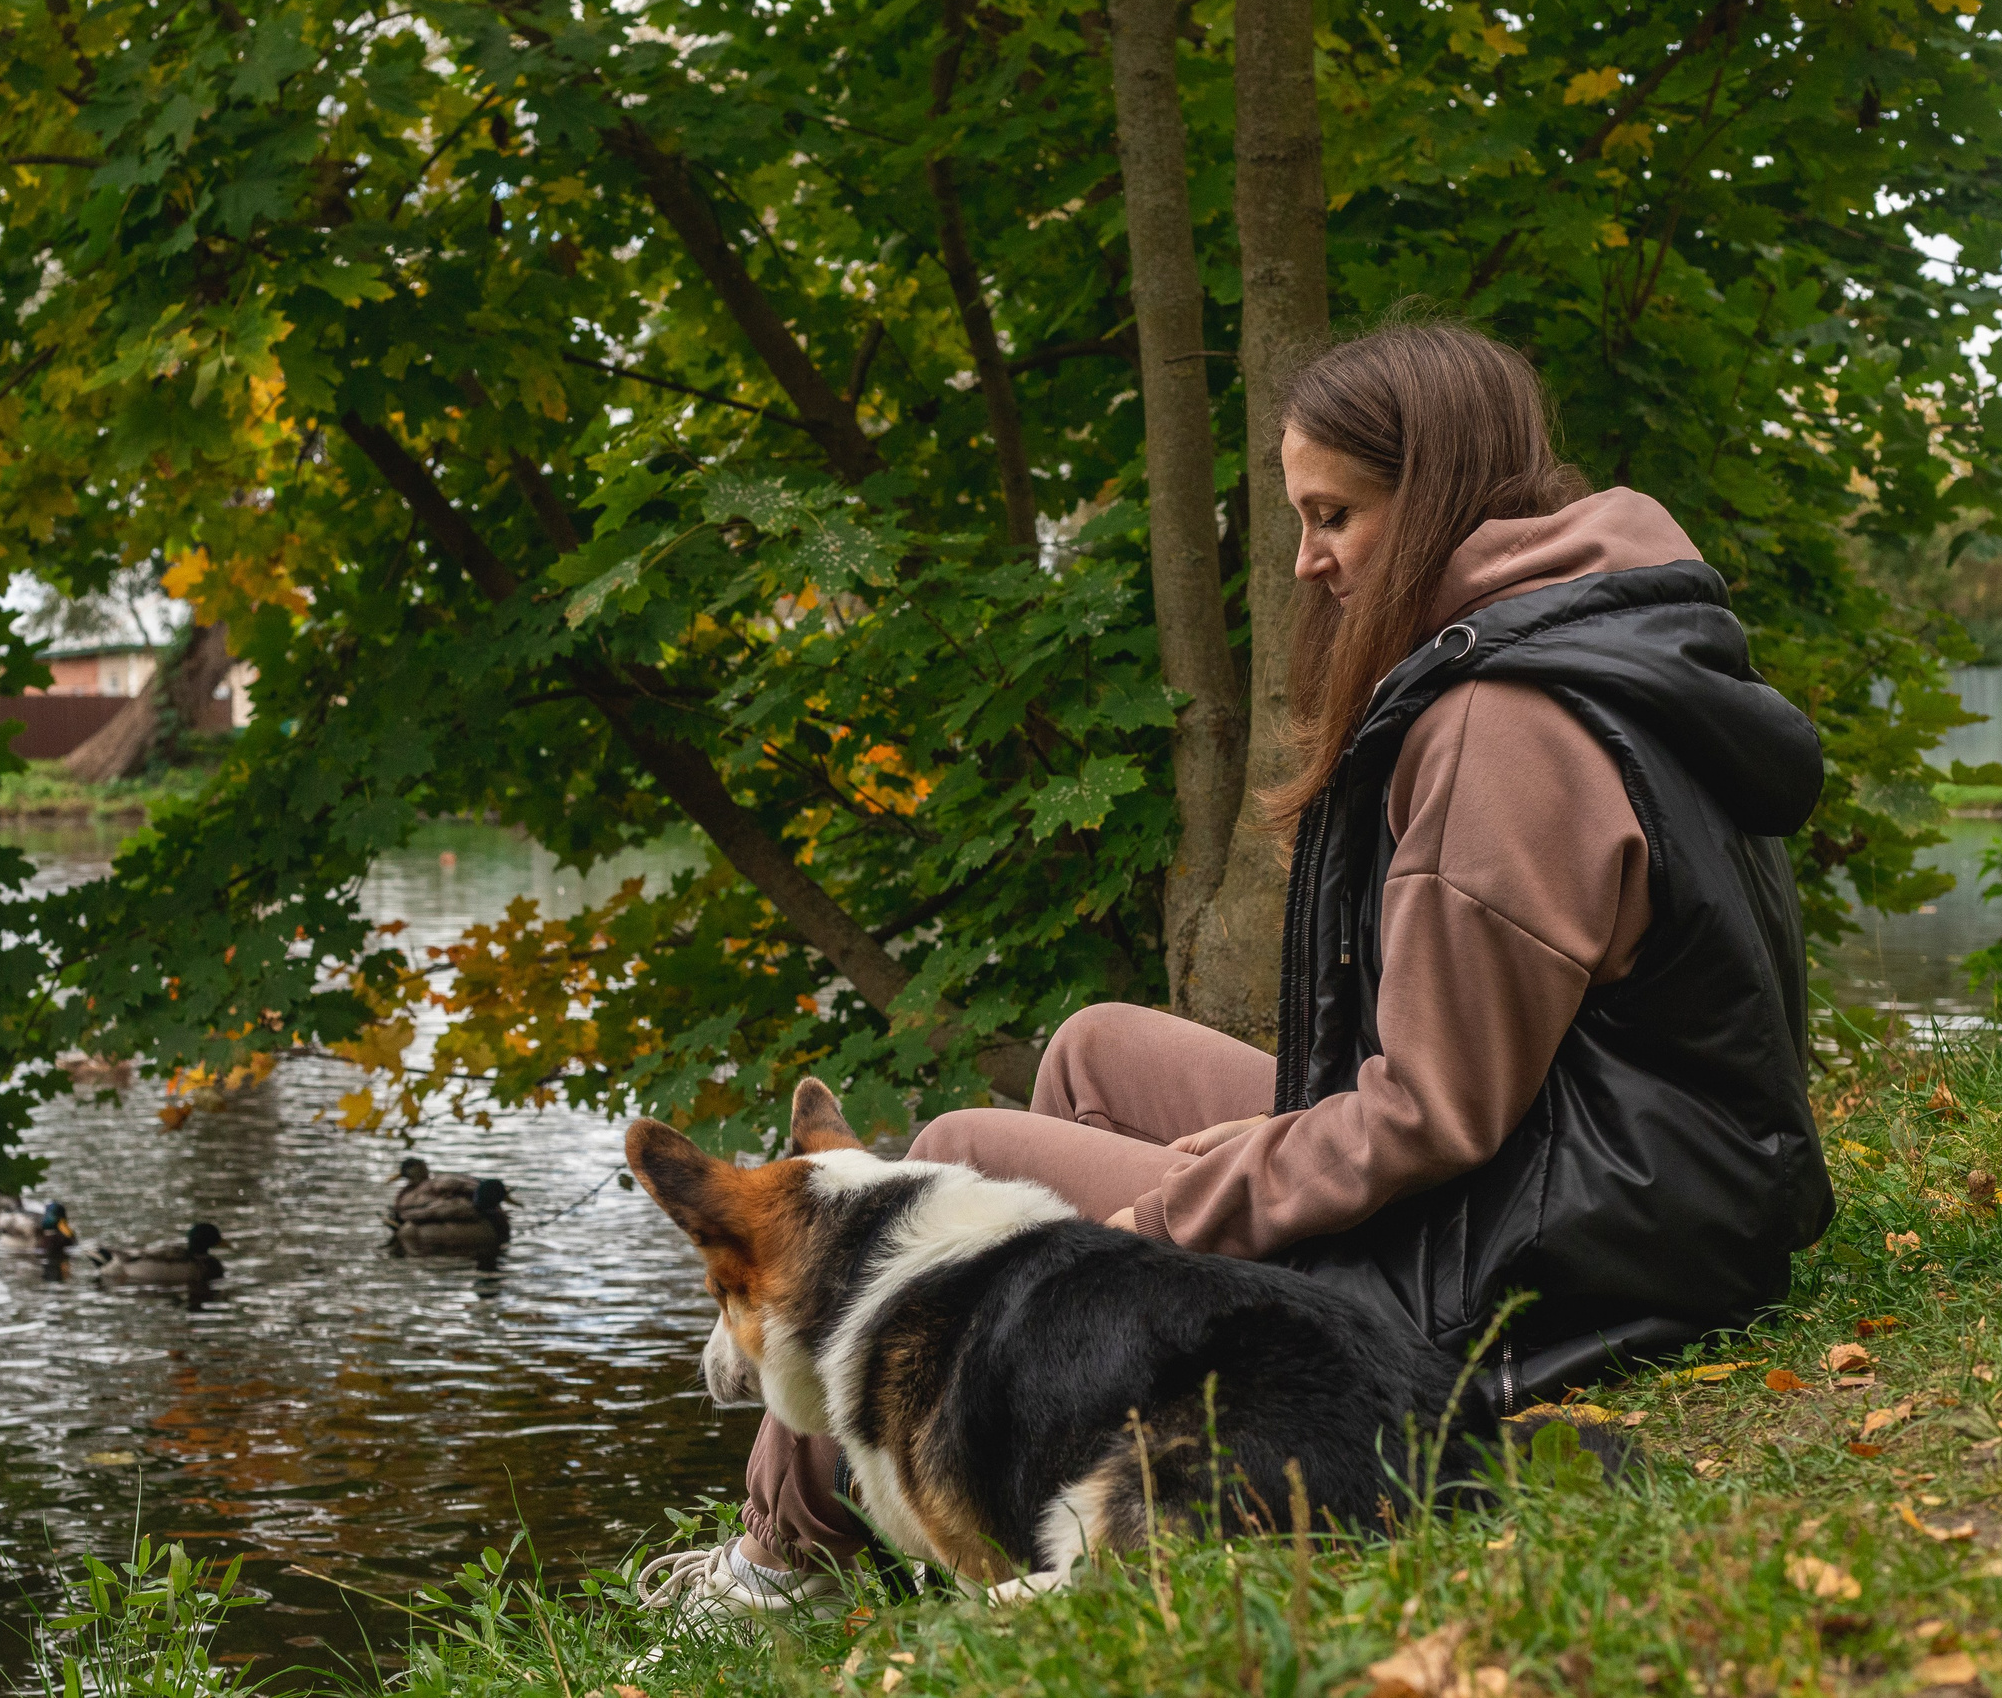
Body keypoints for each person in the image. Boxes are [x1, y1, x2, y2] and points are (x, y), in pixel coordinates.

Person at [635, 321, 1833, 1623]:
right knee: (1096, 1046)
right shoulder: (1593, 624)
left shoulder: (1505, 726)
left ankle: (779, 1562)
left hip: (1570, 1227)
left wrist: (1175, 1211)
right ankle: (947, 1482)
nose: (1310, 559)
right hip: (1634, 1165)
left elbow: (1433, 1116)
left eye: (1336, 516)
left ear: (1431, 497)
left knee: (963, 1146)